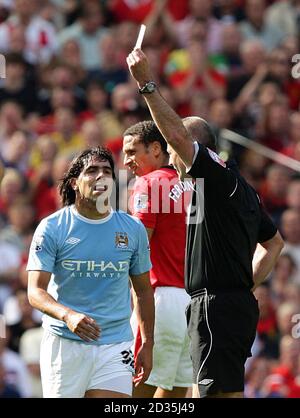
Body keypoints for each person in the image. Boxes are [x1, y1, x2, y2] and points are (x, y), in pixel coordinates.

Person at [126, 48, 284, 398]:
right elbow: (275, 244)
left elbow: (179, 138)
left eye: (174, 155)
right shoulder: (245, 190)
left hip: (212, 306)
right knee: (209, 392)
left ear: (196, 152)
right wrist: (247, 282)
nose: (174, 164)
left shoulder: (213, 177)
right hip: (234, 305)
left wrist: (146, 84)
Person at [27, 146, 154, 398]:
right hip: (65, 343)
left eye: (107, 171)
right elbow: (35, 291)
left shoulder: (132, 229)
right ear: (75, 183)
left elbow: (143, 291)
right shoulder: (52, 227)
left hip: (116, 344)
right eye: (92, 171)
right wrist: (68, 316)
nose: (101, 177)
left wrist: (148, 343)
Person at [123, 120, 193, 398]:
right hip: (193, 302)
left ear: (155, 149)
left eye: (132, 151)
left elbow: (135, 246)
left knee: (132, 389)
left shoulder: (149, 183)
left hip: (159, 302)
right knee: (175, 392)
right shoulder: (192, 183)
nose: (127, 160)